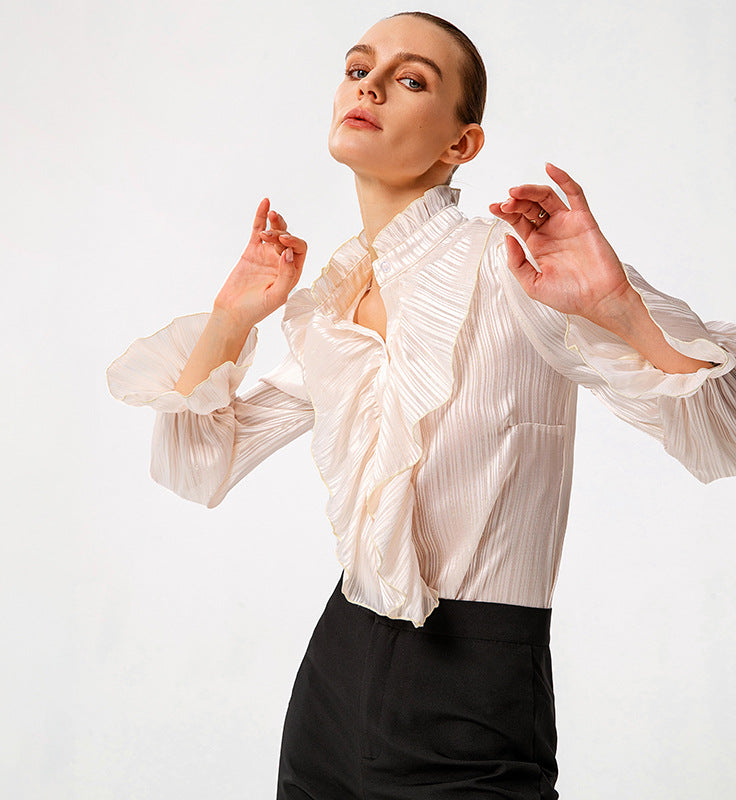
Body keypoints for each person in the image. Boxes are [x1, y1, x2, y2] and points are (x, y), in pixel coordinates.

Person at [106, 11, 736, 799]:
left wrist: (617, 308)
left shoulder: (515, 265)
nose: (367, 83)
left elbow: (725, 434)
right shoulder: (334, 303)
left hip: (477, 681)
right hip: (333, 680)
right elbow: (199, 464)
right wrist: (232, 318)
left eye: (410, 79)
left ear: (460, 143)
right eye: (357, 66)